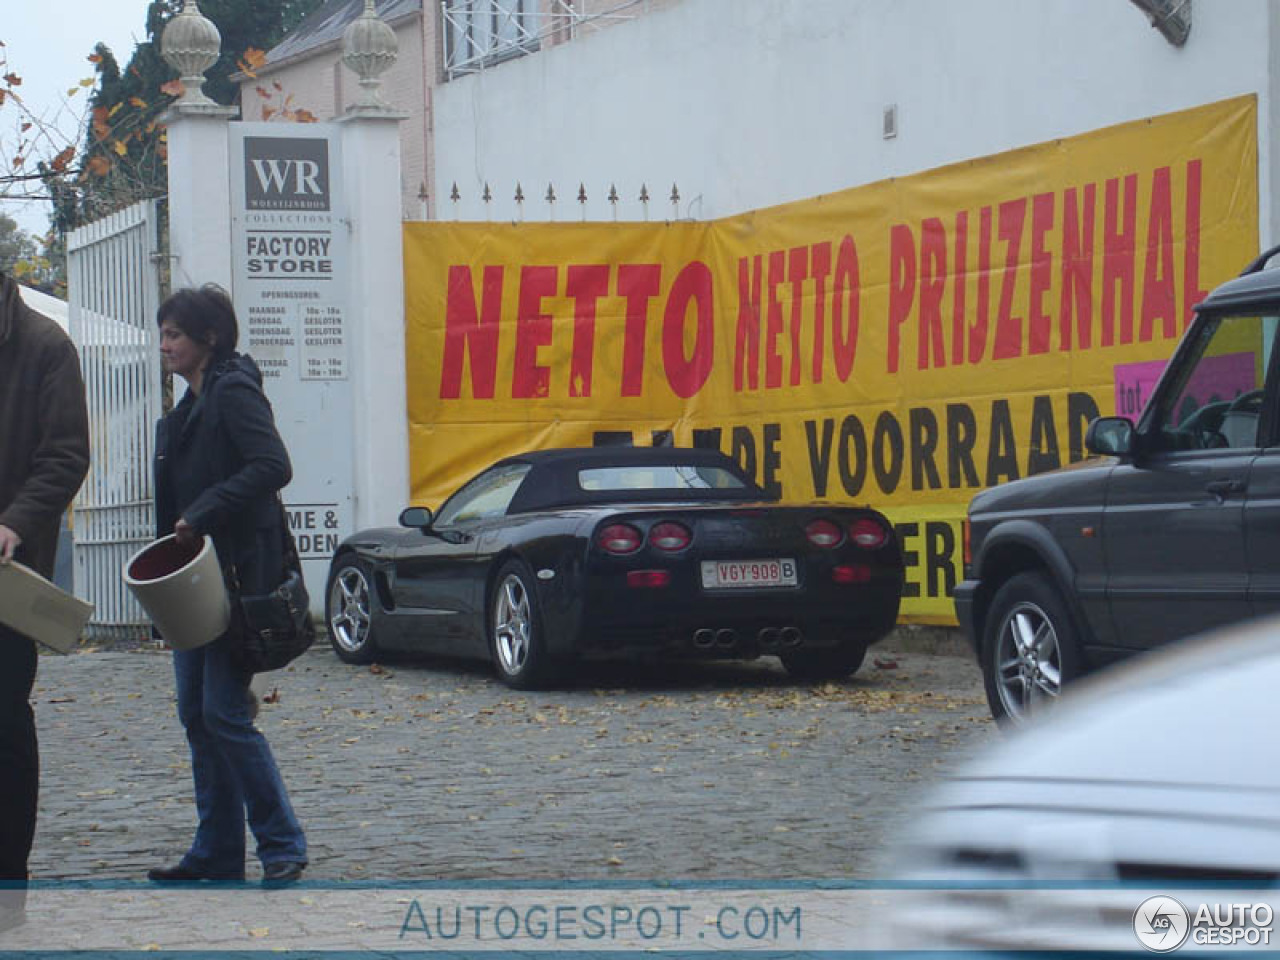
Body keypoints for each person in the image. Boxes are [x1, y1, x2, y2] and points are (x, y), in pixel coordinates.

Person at [147, 284, 307, 888]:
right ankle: (216, 851)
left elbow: (272, 465)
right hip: (193, 583)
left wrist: (204, 512)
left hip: (236, 580)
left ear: (207, 338)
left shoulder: (233, 390)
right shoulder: (187, 406)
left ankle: (282, 844)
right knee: (197, 712)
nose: (164, 345)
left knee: (223, 714)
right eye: (162, 334)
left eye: (175, 335)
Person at [0, 271, 90, 930]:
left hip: (6, 581)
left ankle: (9, 888)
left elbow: (65, 455)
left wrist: (16, 522)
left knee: (4, 725)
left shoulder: (44, 344)